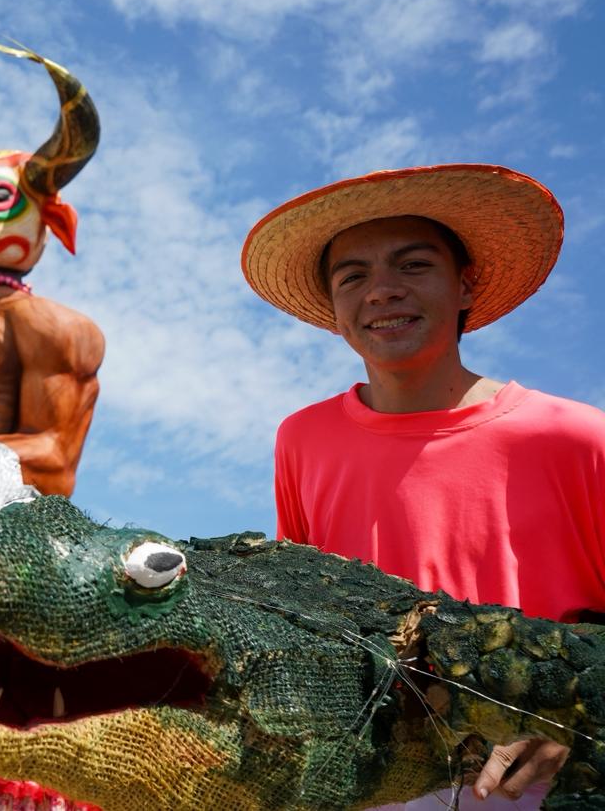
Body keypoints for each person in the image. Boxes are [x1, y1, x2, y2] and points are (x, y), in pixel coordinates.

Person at [242, 163, 605, 806]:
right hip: (366, 779)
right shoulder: (302, 440)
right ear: (334, 309)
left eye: (413, 266)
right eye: (353, 276)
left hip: (540, 782)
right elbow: (301, 616)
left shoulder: (578, 439)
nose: (381, 291)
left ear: (465, 285)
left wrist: (579, 722)